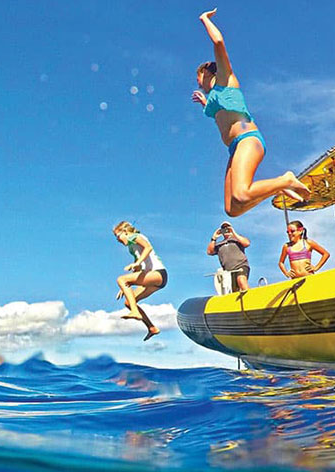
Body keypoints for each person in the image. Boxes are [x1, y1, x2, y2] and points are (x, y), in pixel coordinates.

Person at [191, 8, 310, 217]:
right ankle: (277, 187)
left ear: (207, 72)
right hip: (234, 148)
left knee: (243, 195)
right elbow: (222, 118)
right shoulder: (211, 100)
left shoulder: (225, 80)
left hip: (248, 138)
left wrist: (204, 20)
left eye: (198, 77)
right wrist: (205, 104)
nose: (197, 83)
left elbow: (218, 43)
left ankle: (286, 179)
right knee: (232, 208)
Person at [113, 221, 168, 341]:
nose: (117, 240)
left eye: (117, 236)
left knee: (121, 279)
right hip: (154, 279)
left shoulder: (135, 237)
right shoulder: (132, 248)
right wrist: (125, 286)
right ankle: (152, 328)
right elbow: (137, 269)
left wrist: (135, 265)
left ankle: (135, 312)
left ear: (125, 232)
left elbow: (148, 247)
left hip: (158, 273)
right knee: (128, 302)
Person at [207, 221, 251, 291]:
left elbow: (247, 243)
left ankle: (250, 296)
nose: (226, 229)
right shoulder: (219, 244)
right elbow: (210, 252)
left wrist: (233, 232)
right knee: (234, 290)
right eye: (223, 228)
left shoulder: (237, 239)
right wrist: (214, 238)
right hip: (228, 271)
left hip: (241, 265)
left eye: (227, 227)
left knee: (241, 280)